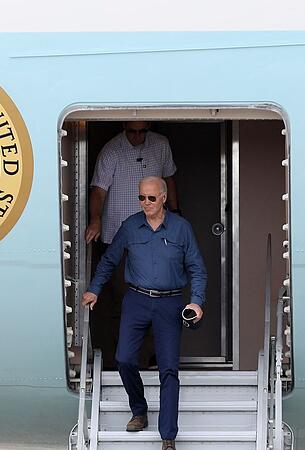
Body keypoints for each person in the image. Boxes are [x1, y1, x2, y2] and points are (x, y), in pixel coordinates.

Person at [82, 176, 207, 450]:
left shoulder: (181, 228)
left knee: (169, 370)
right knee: (124, 358)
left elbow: (197, 268)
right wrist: (94, 289)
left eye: (151, 198)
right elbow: (109, 260)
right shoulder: (130, 226)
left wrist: (196, 301)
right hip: (136, 300)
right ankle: (139, 411)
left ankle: (168, 437)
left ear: (163, 197)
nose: (146, 203)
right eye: (141, 198)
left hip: (170, 304)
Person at [85, 121, 179, 368]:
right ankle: (120, 361)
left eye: (142, 132)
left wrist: (177, 214)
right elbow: (98, 191)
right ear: (123, 128)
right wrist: (95, 220)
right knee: (122, 303)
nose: (137, 137)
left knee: (156, 299)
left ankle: (144, 359)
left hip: (157, 238)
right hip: (120, 239)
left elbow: (169, 179)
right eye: (132, 132)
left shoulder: (160, 145)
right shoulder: (112, 150)